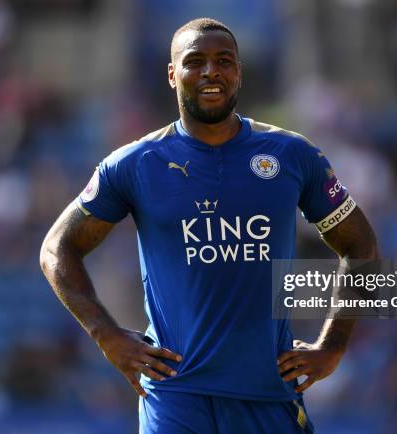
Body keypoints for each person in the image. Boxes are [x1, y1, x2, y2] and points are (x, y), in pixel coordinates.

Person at [40, 17, 379, 434]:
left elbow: (361, 247)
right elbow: (57, 248)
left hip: (269, 394)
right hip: (175, 397)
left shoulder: (292, 155)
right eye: (194, 61)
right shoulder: (135, 164)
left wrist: (332, 346)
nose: (210, 71)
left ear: (239, 71)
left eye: (224, 60)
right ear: (172, 74)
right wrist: (105, 334)